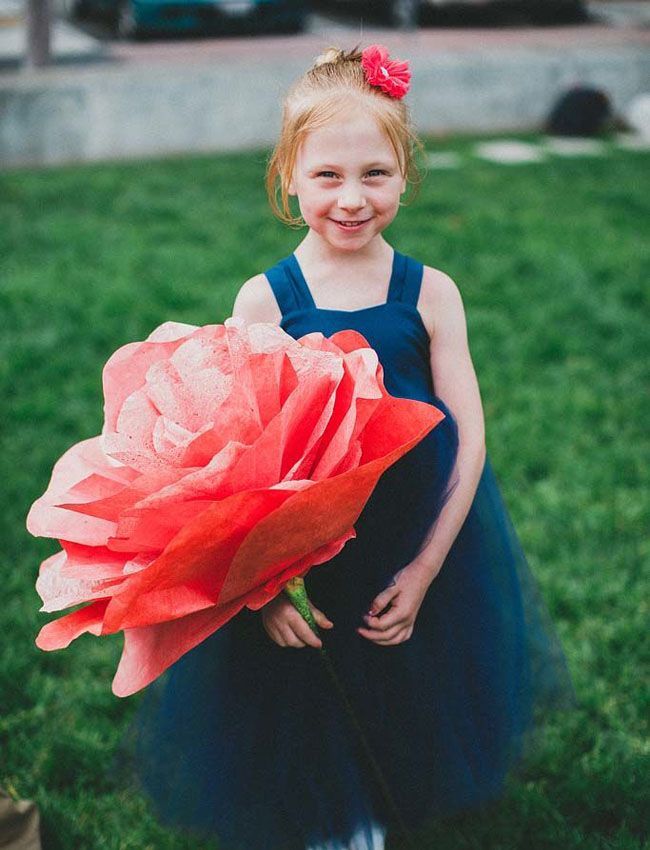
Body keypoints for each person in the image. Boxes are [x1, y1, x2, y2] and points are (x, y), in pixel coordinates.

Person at [116, 45, 575, 850]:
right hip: (303, 555)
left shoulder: (431, 295)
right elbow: (232, 464)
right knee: (307, 693)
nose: (354, 199)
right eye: (328, 176)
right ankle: (333, 819)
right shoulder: (265, 302)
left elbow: (468, 434)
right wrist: (261, 592)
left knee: (402, 677)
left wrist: (428, 565)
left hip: (412, 531)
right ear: (289, 177)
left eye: (376, 174)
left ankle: (384, 798)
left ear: (405, 175)